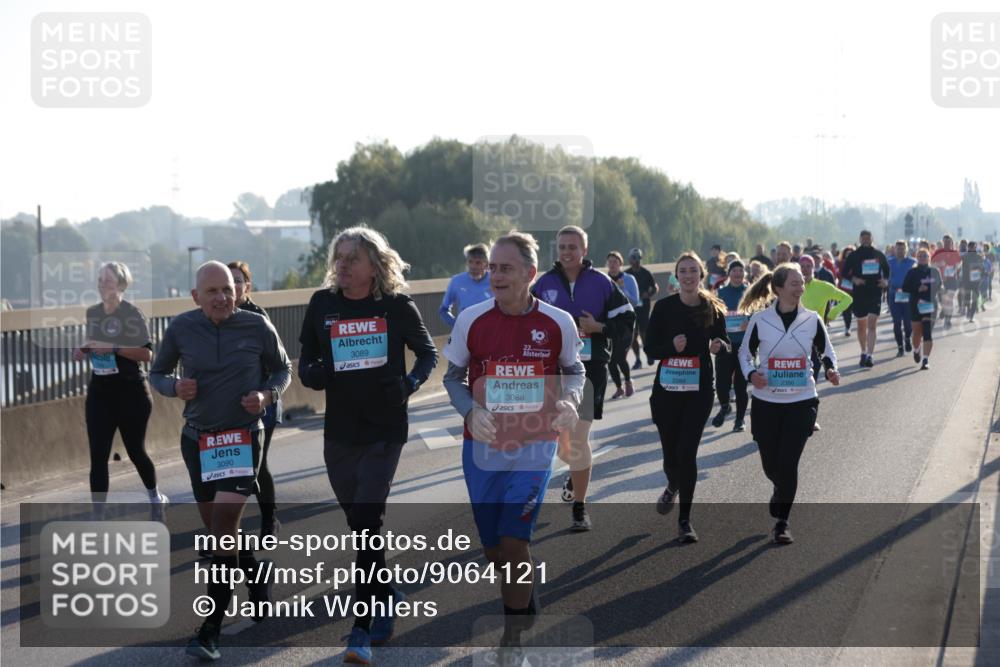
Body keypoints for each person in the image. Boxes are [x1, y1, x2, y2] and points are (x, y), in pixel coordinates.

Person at [298, 226, 438, 664]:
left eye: (351, 259)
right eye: (338, 258)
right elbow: (306, 363)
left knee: (366, 520)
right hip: (340, 430)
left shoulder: (395, 306)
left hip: (385, 428)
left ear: (374, 265)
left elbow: (428, 354)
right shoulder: (322, 304)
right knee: (360, 525)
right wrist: (314, 374)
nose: (341, 266)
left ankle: (360, 628)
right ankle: (387, 592)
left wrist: (408, 384)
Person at [442, 232, 584, 662]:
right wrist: (470, 411)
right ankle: (523, 591)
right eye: (492, 268)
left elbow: (574, 370)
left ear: (530, 273)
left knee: (514, 541)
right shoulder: (471, 320)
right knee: (494, 549)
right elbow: (452, 377)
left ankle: (512, 640)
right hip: (483, 447)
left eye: (505, 268)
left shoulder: (558, 322)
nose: (495, 275)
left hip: (535, 443)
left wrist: (570, 401)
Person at [150, 260, 292, 661]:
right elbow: (157, 373)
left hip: (243, 438)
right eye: (212, 291)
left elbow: (283, 369)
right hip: (198, 440)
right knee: (218, 529)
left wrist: (266, 395)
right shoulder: (181, 328)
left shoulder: (256, 325)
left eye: (228, 289)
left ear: (238, 291)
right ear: (196, 296)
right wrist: (174, 386)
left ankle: (211, 627)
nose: (222, 297)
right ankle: (255, 571)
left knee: (224, 525)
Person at [533, 225, 635, 532]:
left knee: (578, 439)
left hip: (590, 371)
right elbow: (525, 322)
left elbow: (627, 319)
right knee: (562, 448)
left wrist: (599, 328)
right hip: (553, 374)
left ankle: (580, 508)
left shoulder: (601, 282)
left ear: (584, 250)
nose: (566, 252)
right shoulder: (544, 284)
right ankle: (576, 473)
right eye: (562, 246)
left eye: (572, 247)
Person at [738, 263, 840, 544]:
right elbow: (745, 353)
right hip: (766, 401)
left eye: (802, 283)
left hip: (802, 400)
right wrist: (751, 374)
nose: (801, 288)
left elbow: (826, 350)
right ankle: (779, 488)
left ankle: (782, 522)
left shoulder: (811, 319)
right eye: (795, 283)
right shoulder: (760, 320)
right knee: (771, 464)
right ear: (778, 288)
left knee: (789, 461)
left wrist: (831, 370)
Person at [645, 252, 730, 543]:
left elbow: (726, 342)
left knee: (687, 453)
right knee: (671, 457)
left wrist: (719, 346)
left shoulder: (712, 308)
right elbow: (650, 349)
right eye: (683, 271)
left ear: (701, 275)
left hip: (699, 391)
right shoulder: (664, 308)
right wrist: (671, 346)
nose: (688, 275)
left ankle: (684, 521)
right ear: (676, 276)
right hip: (666, 393)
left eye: (693, 270)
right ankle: (673, 485)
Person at [73, 262, 166, 512]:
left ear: (122, 285)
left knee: (135, 451)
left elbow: (147, 354)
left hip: (131, 393)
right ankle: (98, 515)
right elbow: (94, 341)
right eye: (100, 280)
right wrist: (83, 349)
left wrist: (114, 348)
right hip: (100, 392)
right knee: (98, 456)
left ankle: (155, 497)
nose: (102, 285)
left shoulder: (132, 314)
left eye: (108, 281)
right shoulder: (93, 313)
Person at [226, 261, 283, 539]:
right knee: (225, 469)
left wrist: (262, 392)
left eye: (238, 281)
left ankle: (269, 521)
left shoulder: (257, 317)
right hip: (227, 404)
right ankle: (224, 531)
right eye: (228, 281)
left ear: (247, 286)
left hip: (261, 401)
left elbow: (278, 364)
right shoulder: (215, 315)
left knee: (256, 465)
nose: (233, 286)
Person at [841, 231, 890, 367]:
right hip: (860, 293)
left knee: (872, 325)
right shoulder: (854, 255)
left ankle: (870, 355)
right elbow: (844, 272)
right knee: (861, 326)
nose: (866, 240)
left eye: (868, 238)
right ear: (860, 239)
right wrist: (854, 279)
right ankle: (863, 351)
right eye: (863, 238)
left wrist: (885, 280)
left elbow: (887, 270)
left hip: (875, 291)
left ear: (872, 239)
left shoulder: (878, 254)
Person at [713, 260, 749, 431]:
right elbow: (714, 317)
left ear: (744, 273)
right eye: (734, 270)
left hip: (744, 345)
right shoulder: (720, 293)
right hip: (725, 346)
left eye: (740, 271)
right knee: (722, 384)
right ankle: (725, 406)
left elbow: (759, 313)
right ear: (729, 273)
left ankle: (739, 420)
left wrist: (750, 321)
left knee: (741, 385)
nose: (737, 274)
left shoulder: (749, 292)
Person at [606, 251, 641, 399]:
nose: (612, 264)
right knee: (610, 360)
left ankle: (628, 382)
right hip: (610, 324)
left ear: (620, 264)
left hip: (626, 323)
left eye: (615, 261)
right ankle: (619, 388)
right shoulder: (604, 280)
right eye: (610, 261)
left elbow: (635, 301)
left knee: (620, 357)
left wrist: (622, 288)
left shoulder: (629, 279)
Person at [902, 248, 942, 369]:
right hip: (916, 305)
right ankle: (916, 349)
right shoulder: (912, 272)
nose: (923, 258)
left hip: (931, 305)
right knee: (917, 333)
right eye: (920, 256)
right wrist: (917, 288)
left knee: (927, 332)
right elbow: (905, 287)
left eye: (925, 256)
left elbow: (939, 285)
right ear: (917, 258)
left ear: (929, 258)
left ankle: (925, 359)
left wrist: (936, 290)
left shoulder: (934, 271)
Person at [439, 243, 493, 328]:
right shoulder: (457, 281)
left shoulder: (495, 280)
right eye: (470, 262)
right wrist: (457, 326)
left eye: (478, 263)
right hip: (466, 332)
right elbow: (443, 309)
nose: (473, 267)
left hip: (490, 331)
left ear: (486, 264)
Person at [626, 248, 659, 369]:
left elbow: (655, 287)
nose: (637, 260)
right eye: (634, 258)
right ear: (629, 259)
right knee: (633, 335)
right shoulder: (626, 274)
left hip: (644, 307)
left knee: (644, 332)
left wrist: (649, 294)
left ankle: (648, 353)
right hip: (631, 309)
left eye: (639, 258)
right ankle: (638, 359)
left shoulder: (646, 273)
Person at [886, 241, 917, 357]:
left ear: (906, 249)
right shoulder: (889, 262)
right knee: (897, 321)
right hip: (893, 294)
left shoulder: (912, 262)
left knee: (908, 322)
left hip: (907, 295)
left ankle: (907, 338)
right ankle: (900, 347)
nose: (900, 251)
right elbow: (883, 275)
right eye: (898, 249)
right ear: (895, 249)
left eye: (902, 249)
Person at [931, 235, 962, 329]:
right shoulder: (938, 252)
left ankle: (948, 320)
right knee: (943, 301)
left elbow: (960, 263)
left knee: (949, 300)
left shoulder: (955, 252)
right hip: (941, 280)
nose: (947, 243)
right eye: (945, 242)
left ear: (952, 243)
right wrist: (939, 264)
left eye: (949, 242)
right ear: (943, 242)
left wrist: (956, 266)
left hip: (952, 280)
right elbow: (931, 264)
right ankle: (944, 312)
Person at [962, 241, 985, 322]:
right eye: (972, 247)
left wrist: (982, 275)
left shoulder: (979, 256)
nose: (973, 248)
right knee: (967, 297)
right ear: (969, 247)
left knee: (975, 298)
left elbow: (982, 267)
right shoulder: (965, 257)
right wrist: (963, 280)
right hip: (967, 280)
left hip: (976, 281)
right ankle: (968, 309)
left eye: (974, 247)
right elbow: (963, 269)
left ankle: (971, 315)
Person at [837, 246, 856, 336]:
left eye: (851, 253)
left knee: (854, 309)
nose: (849, 255)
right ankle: (847, 327)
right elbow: (838, 273)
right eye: (847, 254)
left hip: (855, 289)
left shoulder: (857, 263)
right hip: (844, 289)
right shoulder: (840, 263)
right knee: (846, 309)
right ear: (844, 255)